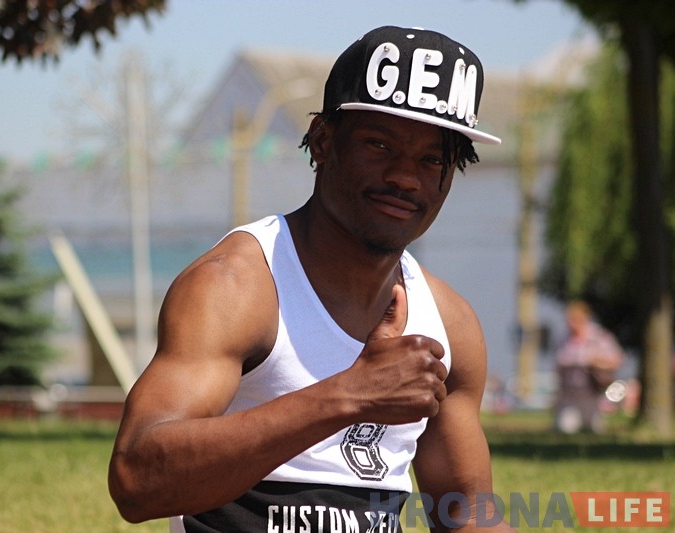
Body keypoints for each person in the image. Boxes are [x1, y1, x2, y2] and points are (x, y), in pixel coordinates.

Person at [109, 25, 515, 532]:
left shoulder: (449, 323)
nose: (404, 177)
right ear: (323, 141)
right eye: (379, 144)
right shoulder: (236, 286)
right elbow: (137, 478)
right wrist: (350, 395)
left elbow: (468, 515)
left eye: (432, 158)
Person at [554, 301, 624, 434]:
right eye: (569, 319)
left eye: (575, 319)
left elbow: (616, 360)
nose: (571, 323)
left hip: (592, 394)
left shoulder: (599, 337)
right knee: (565, 429)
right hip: (569, 394)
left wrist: (594, 361)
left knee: (594, 429)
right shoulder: (563, 340)